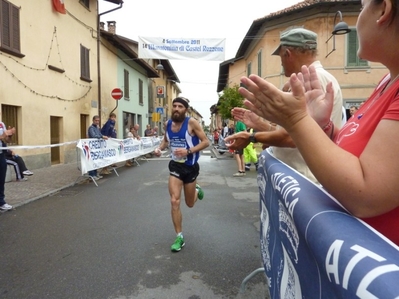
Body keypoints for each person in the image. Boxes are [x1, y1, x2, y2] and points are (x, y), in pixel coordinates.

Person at [236, 0, 399, 246]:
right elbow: (353, 149)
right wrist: (323, 127)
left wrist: (296, 121)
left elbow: (365, 195)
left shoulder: (316, 78)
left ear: (384, 10)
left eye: (364, 5)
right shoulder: (386, 82)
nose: (360, 15)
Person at [226, 27, 343, 184]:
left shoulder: (311, 80)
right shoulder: (316, 78)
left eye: (281, 57)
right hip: (301, 179)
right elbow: (295, 132)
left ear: (287, 54)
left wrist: (251, 137)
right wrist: (259, 124)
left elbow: (293, 139)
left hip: (305, 181)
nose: (281, 64)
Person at [153, 97, 210, 252]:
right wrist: (159, 148)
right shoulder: (168, 124)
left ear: (185, 109)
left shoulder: (192, 123)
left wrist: (188, 151)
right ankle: (179, 237)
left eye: (180, 106)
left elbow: (206, 142)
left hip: (190, 167)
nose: (176, 109)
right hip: (175, 167)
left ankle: (197, 190)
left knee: (190, 203)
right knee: (174, 201)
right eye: (174, 106)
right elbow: (165, 141)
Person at [0, 120, 16, 210]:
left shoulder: (1, 124)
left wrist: (10, 134)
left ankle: (1, 202)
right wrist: (2, 136)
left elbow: (7, 140)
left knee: (1, 179)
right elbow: (2, 136)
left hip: (1, 154)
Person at [87, 115, 107, 180]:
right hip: (91, 147)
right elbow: (93, 136)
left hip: (96, 148)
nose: (97, 122)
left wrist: (103, 136)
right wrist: (101, 137)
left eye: (98, 120)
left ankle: (95, 173)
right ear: (93, 120)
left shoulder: (97, 128)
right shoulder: (91, 128)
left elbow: (100, 134)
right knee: (92, 161)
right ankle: (91, 175)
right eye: (96, 120)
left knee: (95, 160)